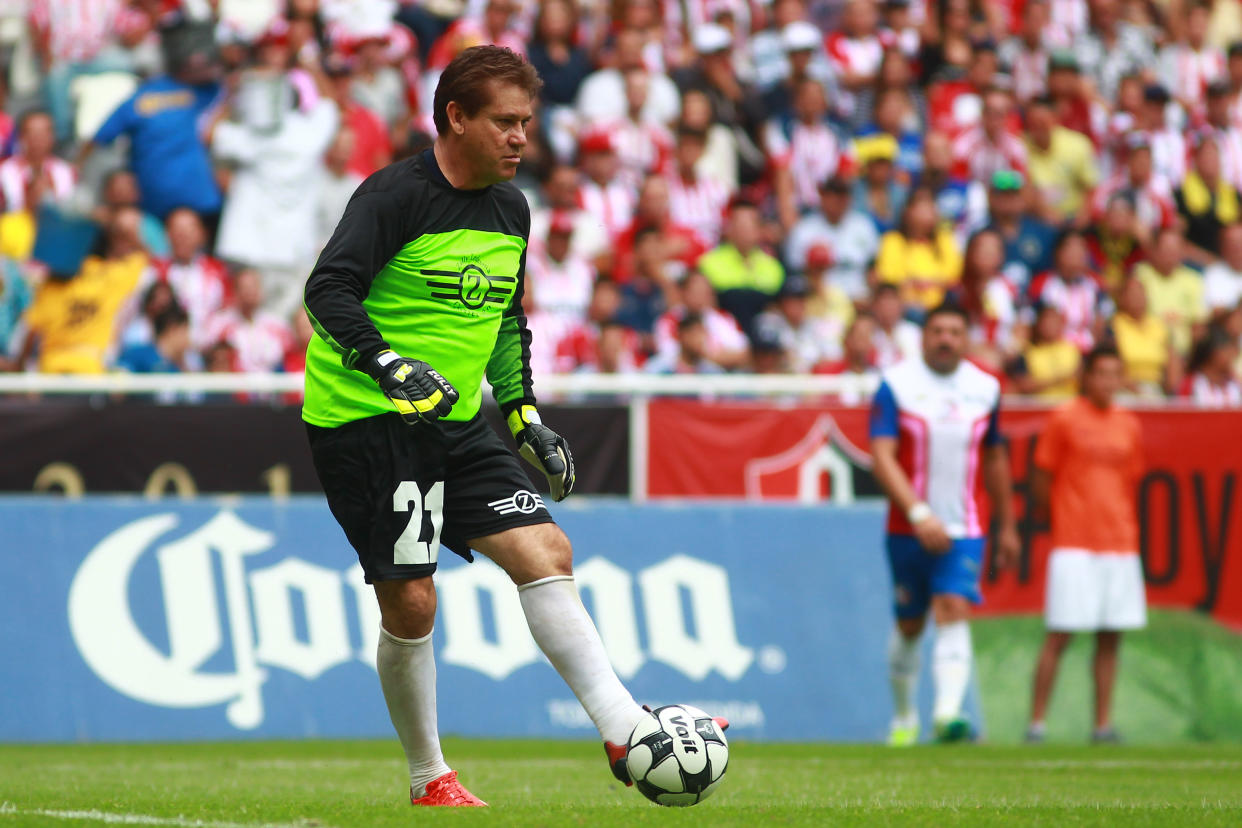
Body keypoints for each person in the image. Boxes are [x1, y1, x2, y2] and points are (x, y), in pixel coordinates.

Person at [300, 46, 714, 808]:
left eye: (527, 122)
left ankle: (626, 729)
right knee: (413, 601)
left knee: (545, 547)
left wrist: (523, 415)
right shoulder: (395, 195)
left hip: (455, 421)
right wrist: (389, 365)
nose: (521, 137)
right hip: (369, 423)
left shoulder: (509, 208)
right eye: (505, 122)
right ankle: (430, 776)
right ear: (455, 117)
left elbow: (503, 319)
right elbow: (327, 290)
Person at [869, 302, 1020, 745]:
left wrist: (1007, 523)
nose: (945, 339)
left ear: (967, 338)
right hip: (907, 526)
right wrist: (918, 512)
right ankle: (903, 719)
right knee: (910, 624)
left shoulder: (985, 389)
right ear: (923, 336)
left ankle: (947, 715)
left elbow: (994, 458)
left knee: (954, 607)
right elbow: (882, 456)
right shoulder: (896, 385)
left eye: (955, 331)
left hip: (964, 526)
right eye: (937, 330)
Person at [1026, 345, 1145, 744]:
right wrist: (1062, 516)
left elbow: (1131, 479)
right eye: (1101, 373)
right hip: (1074, 540)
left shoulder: (1128, 423)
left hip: (1120, 541)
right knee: (1060, 633)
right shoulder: (1063, 418)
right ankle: (1037, 724)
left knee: (1111, 636)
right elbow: (1042, 478)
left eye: (1116, 374)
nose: (1108, 382)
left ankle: (1102, 725)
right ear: (1086, 377)